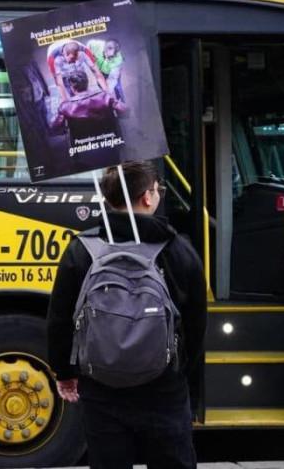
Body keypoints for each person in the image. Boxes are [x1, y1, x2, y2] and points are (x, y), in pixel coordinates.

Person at [47, 161, 207, 469]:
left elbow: (59, 318)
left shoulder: (82, 249)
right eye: (157, 189)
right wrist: (190, 388)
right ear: (147, 197)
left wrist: (64, 373)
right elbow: (196, 326)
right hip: (164, 387)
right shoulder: (177, 250)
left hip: (101, 386)